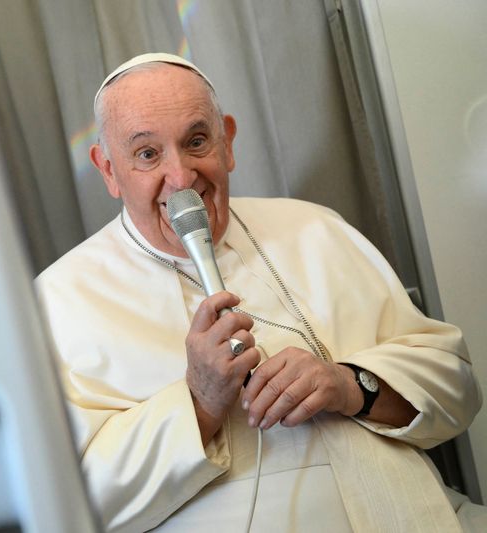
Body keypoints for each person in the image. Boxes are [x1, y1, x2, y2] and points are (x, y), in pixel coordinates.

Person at [35, 53, 483, 532]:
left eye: (197, 141)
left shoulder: (313, 227)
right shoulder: (58, 300)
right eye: (147, 154)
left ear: (227, 142)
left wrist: (350, 385)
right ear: (107, 169)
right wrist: (198, 403)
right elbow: (65, 507)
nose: (182, 179)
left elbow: (458, 386)